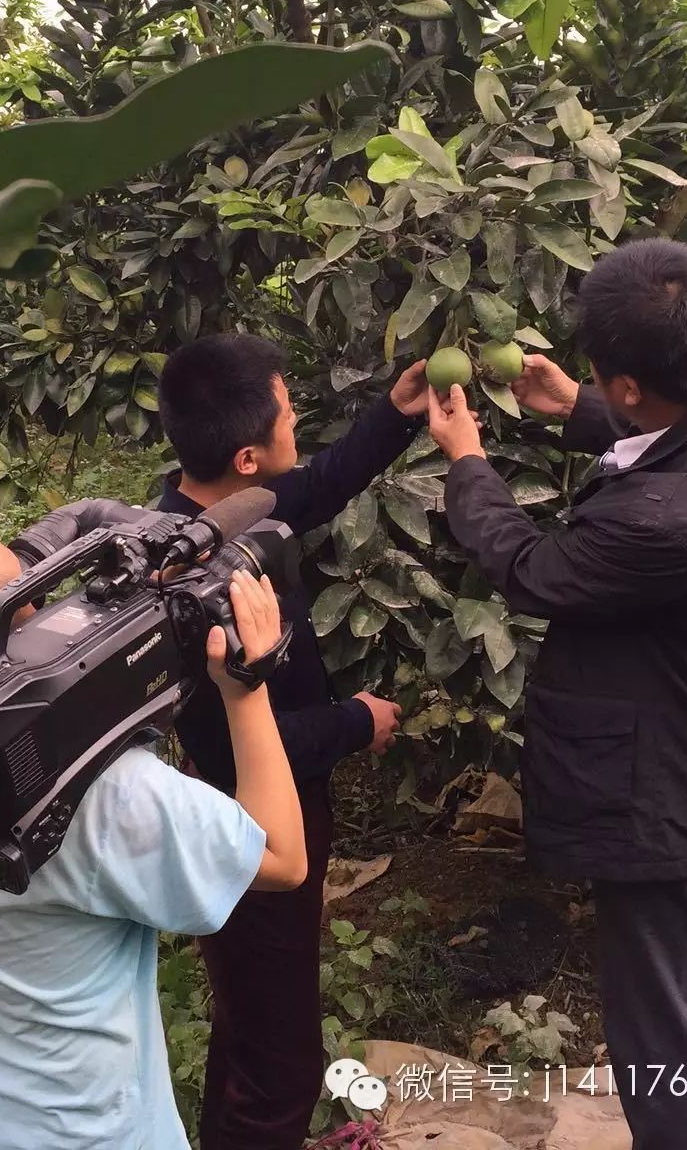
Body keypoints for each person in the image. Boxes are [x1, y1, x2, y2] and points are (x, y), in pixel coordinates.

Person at [424, 239, 687, 1150]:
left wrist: (467, 461)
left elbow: (532, 567)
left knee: (661, 1030)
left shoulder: (663, 524)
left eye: (606, 374)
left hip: (668, 787)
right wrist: (578, 407)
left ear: (637, 382)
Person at [0, 532, 307, 1150]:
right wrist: (247, 684)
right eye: (35, 587)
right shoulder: (113, 798)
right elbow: (283, 858)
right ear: (16, 639)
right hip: (94, 1131)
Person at [157, 333, 431, 1150]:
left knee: (253, 1026)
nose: (297, 417)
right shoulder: (192, 593)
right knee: (278, 1055)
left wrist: (394, 414)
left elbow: (313, 488)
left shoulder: (200, 517)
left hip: (274, 810)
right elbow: (249, 745)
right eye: (287, 413)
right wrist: (357, 720)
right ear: (247, 455)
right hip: (252, 828)